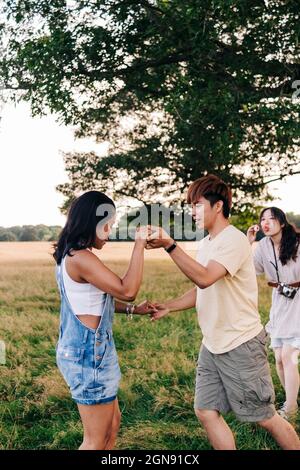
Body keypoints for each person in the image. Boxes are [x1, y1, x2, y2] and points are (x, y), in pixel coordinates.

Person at [146, 174, 300, 450]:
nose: (191, 211)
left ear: (218, 206)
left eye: (197, 204)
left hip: (240, 343)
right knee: (205, 411)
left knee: (264, 417)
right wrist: (170, 305)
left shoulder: (234, 239)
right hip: (213, 344)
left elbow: (204, 277)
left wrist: (170, 245)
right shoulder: (206, 244)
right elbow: (203, 287)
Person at [53, 190, 156, 450]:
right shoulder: (81, 258)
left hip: (93, 351)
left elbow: (94, 302)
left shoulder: (74, 255)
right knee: (95, 440)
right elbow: (127, 289)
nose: (110, 230)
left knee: (111, 425)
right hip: (89, 354)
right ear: (93, 223)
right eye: (108, 224)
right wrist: (139, 245)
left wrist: (133, 311)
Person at [247, 207, 300, 420]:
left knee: (288, 356)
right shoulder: (262, 246)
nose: (266, 222)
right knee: (278, 358)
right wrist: (248, 243)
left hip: (299, 301)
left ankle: (291, 408)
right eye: (263, 219)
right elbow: (248, 269)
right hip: (280, 301)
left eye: (272, 218)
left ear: (282, 223)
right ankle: (292, 398)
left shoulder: (296, 242)